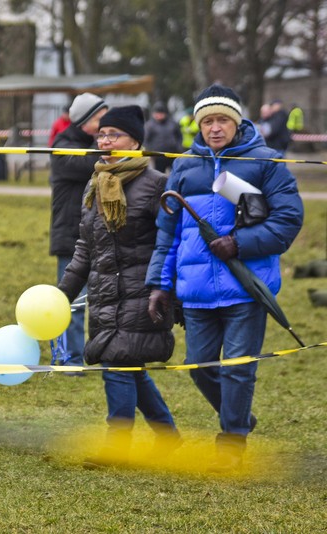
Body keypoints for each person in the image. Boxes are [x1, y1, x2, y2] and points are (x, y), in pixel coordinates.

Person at [147, 84, 303, 472]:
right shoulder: (184, 166)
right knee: (199, 366)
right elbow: (167, 233)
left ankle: (232, 441)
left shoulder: (267, 162)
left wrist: (239, 243)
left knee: (238, 368)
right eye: (207, 121)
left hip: (246, 287)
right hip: (196, 291)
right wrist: (160, 285)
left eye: (222, 120)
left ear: (237, 122)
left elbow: (288, 220)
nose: (215, 128)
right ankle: (240, 417)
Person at [58, 106, 179, 468]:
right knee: (127, 365)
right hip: (105, 293)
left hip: (142, 293)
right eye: (102, 134)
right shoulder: (96, 183)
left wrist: (165, 287)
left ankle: (117, 446)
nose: (106, 141)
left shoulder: (156, 183)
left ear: (136, 142)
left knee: (118, 361)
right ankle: (168, 435)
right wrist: (62, 293)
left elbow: (171, 242)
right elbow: (85, 247)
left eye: (115, 135)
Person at [49, 92, 108, 374]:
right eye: (101, 120)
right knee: (70, 302)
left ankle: (99, 353)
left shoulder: (91, 144)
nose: (106, 128)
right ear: (85, 120)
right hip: (71, 236)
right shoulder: (64, 147)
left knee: (101, 299)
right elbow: (91, 164)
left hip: (99, 235)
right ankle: (69, 359)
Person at [144, 101, 182, 173]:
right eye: (157, 113)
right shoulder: (149, 125)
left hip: (173, 154)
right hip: (158, 156)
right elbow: (146, 140)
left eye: (161, 113)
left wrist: (178, 147)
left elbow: (179, 136)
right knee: (159, 175)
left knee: (176, 173)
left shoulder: (172, 123)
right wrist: (150, 152)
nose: (159, 115)